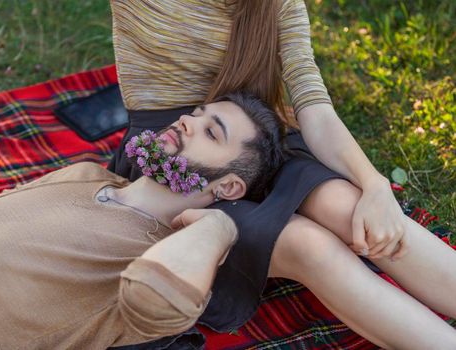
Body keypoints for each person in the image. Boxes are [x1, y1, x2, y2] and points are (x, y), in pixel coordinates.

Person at [106, 1, 456, 348]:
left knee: (347, 208)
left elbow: (315, 110)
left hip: (254, 136)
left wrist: (374, 184)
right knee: (308, 245)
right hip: (173, 148)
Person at [0, 93, 285, 349]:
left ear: (229, 185)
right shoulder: (85, 172)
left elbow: (161, 302)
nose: (187, 121)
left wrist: (219, 227)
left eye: (211, 132)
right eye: (196, 113)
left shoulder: (160, 254)